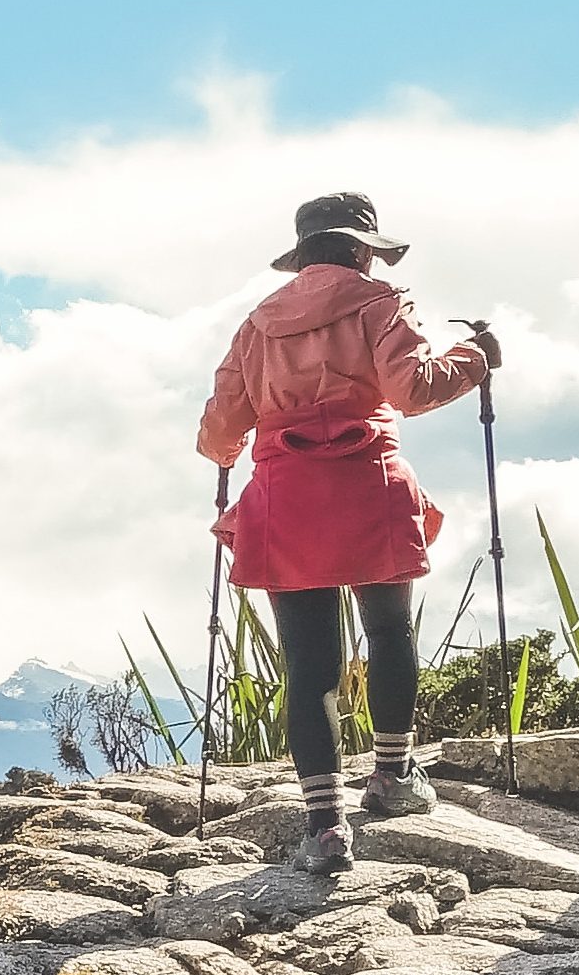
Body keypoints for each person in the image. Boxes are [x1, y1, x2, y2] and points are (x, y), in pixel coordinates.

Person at [198, 190, 499, 866]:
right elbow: (414, 389)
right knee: (388, 629)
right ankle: (392, 777)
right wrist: (474, 358)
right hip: (368, 485)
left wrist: (221, 454)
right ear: (363, 250)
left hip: (286, 498)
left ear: (300, 258)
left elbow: (222, 425)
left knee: (309, 664)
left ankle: (324, 828)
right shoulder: (380, 303)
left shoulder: (256, 326)